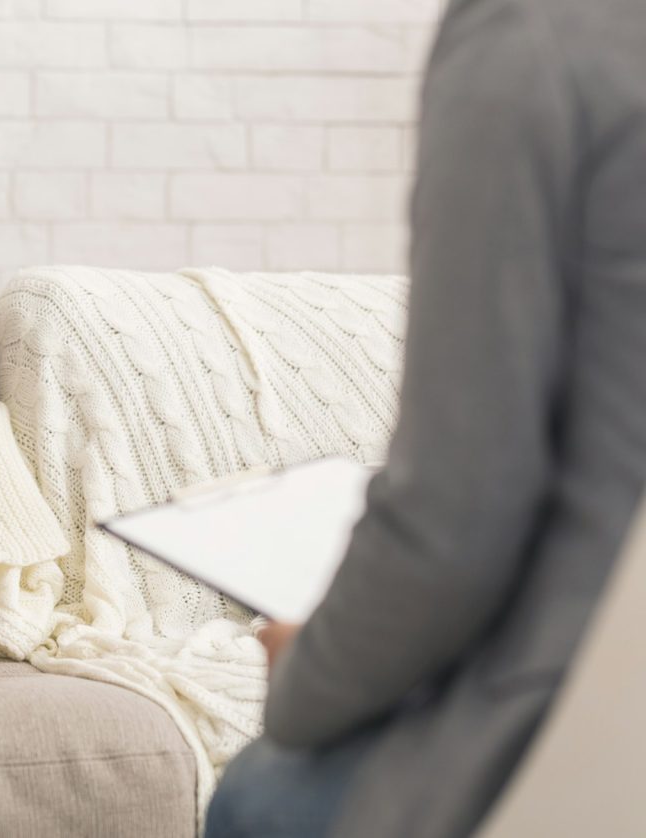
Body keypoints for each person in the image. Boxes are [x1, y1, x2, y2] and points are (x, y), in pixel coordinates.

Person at [206, 0, 646, 835]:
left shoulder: (528, 45)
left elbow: (455, 526)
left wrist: (302, 680)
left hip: (594, 718)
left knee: (258, 795)